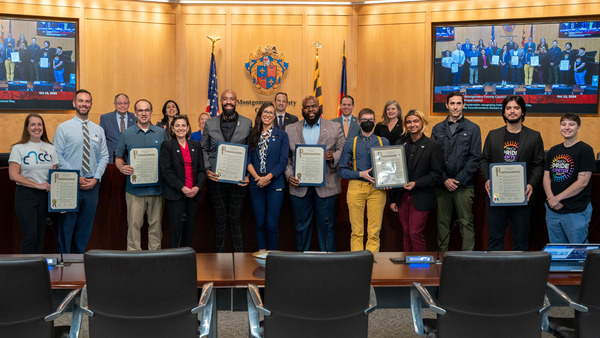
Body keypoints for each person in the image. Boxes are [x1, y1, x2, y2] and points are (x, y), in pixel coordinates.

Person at [480, 95, 544, 251]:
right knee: (495, 239)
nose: (512, 111)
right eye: (508, 108)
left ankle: (519, 275)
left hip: (522, 196)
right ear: (503, 112)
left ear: (522, 112)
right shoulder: (493, 135)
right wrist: (488, 180)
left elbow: (538, 164)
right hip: (496, 197)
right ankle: (495, 274)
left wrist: (531, 184)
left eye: (516, 108)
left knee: (521, 240)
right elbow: (483, 161)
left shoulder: (534, 136)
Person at [285, 95, 345, 252]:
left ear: (320, 108)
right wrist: (289, 175)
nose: (310, 109)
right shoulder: (290, 129)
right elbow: (286, 158)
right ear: (302, 110)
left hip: (327, 186)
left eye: (314, 106)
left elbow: (343, 150)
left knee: (327, 227)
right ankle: (301, 264)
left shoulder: (334, 127)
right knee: (301, 227)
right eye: (307, 107)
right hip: (299, 187)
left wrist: (334, 156)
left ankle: (328, 264)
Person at [53, 89, 109, 253]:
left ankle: (78, 265)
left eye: (87, 101)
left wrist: (96, 178)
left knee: (84, 229)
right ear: (74, 103)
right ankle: (64, 266)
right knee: (66, 228)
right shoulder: (63, 128)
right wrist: (75, 177)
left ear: (91, 104)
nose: (84, 104)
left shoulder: (98, 130)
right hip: (69, 186)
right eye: (81, 101)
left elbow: (104, 156)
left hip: (91, 187)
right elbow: (58, 155)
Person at [201, 89, 251, 252]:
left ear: (236, 101)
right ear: (221, 102)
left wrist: (248, 174)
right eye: (225, 99)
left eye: (232, 99)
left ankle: (240, 258)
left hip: (239, 180)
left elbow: (251, 151)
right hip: (216, 178)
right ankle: (218, 259)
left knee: (236, 219)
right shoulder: (210, 123)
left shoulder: (247, 123)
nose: (228, 101)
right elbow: (204, 148)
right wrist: (208, 170)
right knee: (220, 219)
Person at [431, 92, 481, 251]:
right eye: (452, 103)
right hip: (442, 185)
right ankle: (441, 261)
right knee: (441, 224)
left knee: (466, 222)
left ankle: (468, 261)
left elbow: (475, 158)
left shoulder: (473, 128)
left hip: (464, 186)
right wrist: (444, 179)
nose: (455, 107)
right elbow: (433, 158)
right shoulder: (437, 128)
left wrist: (458, 180)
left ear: (464, 105)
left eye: (458, 103)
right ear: (447, 105)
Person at [115, 99, 167, 250]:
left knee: (156, 227)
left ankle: (155, 259)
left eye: (147, 110)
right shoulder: (126, 134)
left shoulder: (161, 132)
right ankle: (134, 260)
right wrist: (121, 168)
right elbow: (118, 158)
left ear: (151, 112)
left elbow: (167, 157)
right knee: (134, 227)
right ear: (135, 113)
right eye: (140, 110)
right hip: (134, 191)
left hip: (157, 189)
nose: (144, 113)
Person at [390, 110, 443, 252]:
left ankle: (420, 268)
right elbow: (394, 172)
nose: (412, 125)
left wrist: (416, 183)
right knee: (406, 233)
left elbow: (437, 174)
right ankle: (408, 267)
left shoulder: (433, 145)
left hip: (421, 196)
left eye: (415, 121)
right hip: (402, 197)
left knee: (415, 233)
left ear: (422, 123)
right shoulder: (400, 144)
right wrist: (393, 200)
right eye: (408, 122)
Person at [338, 108, 390, 252]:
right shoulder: (350, 143)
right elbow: (341, 170)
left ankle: (372, 263)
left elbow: (390, 167)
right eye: (365, 120)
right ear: (359, 122)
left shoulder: (384, 142)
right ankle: (357, 263)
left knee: (374, 231)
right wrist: (360, 174)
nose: (368, 122)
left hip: (377, 190)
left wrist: (389, 180)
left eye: (371, 120)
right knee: (356, 231)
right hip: (356, 187)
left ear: (374, 121)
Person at [8, 114, 58, 254]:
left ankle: (37, 269)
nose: (37, 127)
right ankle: (26, 270)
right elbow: (13, 175)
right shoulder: (18, 148)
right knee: (30, 236)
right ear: (27, 128)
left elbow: (54, 174)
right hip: (26, 196)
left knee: (40, 236)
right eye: (33, 124)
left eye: (39, 124)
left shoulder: (50, 148)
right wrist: (37, 185)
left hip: (44, 196)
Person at [543, 113, 595, 243]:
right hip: (553, 211)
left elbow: (582, 182)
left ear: (578, 128)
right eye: (563, 124)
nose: (567, 127)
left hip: (576, 211)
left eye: (571, 124)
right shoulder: (554, 150)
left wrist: (557, 198)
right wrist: (551, 199)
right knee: (557, 253)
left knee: (578, 253)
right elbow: (546, 177)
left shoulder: (585, 150)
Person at [247, 102, 289, 251]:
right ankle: (262, 253)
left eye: (271, 112)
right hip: (256, 184)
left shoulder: (282, 135)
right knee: (260, 222)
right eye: (265, 112)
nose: (268, 115)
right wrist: (258, 178)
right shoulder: (252, 134)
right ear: (260, 114)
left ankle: (272, 257)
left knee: (272, 224)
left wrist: (268, 178)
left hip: (275, 185)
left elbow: (283, 161)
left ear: (274, 116)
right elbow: (248, 160)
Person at [161, 114, 206, 248]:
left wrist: (197, 187)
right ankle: (176, 262)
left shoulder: (195, 145)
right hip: (176, 195)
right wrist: (182, 187)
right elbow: (166, 171)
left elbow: (201, 170)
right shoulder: (167, 145)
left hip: (193, 194)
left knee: (189, 230)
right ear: (172, 129)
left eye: (183, 125)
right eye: (177, 126)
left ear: (188, 128)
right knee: (176, 231)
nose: (181, 128)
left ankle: (187, 260)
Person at [99, 93, 136, 163]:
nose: (122, 106)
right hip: (111, 159)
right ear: (115, 104)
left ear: (129, 104)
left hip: (132, 158)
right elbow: (101, 140)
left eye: (125, 103)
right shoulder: (105, 118)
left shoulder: (135, 118)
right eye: (119, 103)